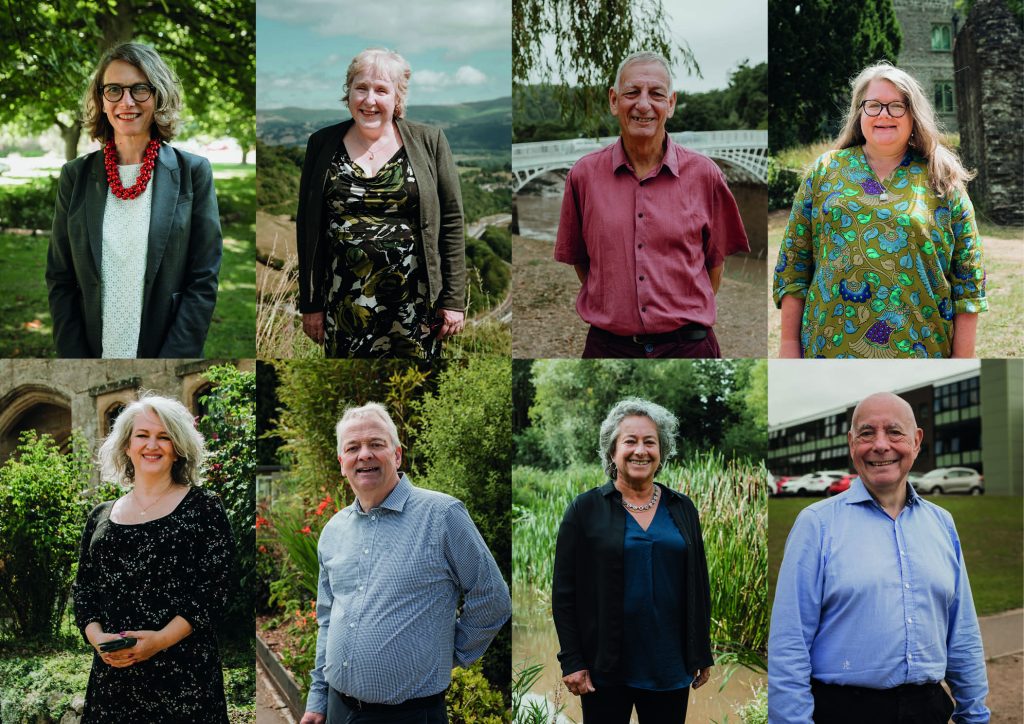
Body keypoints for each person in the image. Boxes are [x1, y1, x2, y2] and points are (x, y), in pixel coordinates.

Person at [768, 392, 989, 723]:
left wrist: (975, 714)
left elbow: (963, 631)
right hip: (844, 711)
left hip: (927, 709)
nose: (880, 445)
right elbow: (789, 643)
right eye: (867, 433)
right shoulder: (816, 524)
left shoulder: (942, 523)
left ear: (916, 441)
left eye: (894, 432)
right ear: (851, 443)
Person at [301, 402, 510, 723]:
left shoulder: (443, 516)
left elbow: (493, 598)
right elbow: (328, 620)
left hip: (410, 715)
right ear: (342, 462)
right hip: (337, 710)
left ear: (397, 455)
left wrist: (448, 655)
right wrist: (317, 700)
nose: (365, 454)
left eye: (376, 444)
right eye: (353, 447)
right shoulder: (333, 530)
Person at [773, 62, 987, 359]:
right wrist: (788, 346)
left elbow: (969, 284)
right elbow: (793, 267)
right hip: (827, 350)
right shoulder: (825, 170)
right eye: (873, 105)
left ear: (913, 114)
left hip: (920, 349)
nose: (884, 114)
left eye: (896, 106)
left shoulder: (942, 178)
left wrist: (962, 359)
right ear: (859, 112)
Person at [553, 51, 750, 359]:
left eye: (656, 94)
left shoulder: (705, 174)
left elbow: (714, 266)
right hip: (608, 348)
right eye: (632, 92)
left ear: (670, 104)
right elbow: (584, 263)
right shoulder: (583, 176)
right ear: (614, 100)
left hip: (689, 348)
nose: (643, 104)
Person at [47, 42, 222, 359]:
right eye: (113, 89)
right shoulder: (74, 176)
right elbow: (61, 278)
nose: (126, 101)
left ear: (159, 96)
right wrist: (75, 357)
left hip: (164, 347)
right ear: (101, 100)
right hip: (90, 349)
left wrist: (173, 358)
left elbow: (203, 280)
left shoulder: (193, 173)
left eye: (140, 89)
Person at [73, 394, 234, 722]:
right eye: (142, 435)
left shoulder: (204, 507)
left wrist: (159, 640)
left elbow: (215, 591)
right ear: (127, 446)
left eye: (164, 437)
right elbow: (84, 592)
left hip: (184, 679)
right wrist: (97, 639)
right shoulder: (100, 516)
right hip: (112, 682)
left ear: (178, 448)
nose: (152, 445)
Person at [296, 48, 466, 358]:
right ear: (348, 92)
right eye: (361, 87)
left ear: (398, 98)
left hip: (415, 302)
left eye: (381, 90)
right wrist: (310, 304)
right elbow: (308, 229)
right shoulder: (320, 144)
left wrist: (453, 300)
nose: (369, 99)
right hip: (344, 302)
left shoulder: (430, 140)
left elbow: (452, 222)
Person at [552, 398, 713, 723]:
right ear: (612, 451)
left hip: (670, 665)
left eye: (650, 442)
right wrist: (572, 660)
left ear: (662, 452)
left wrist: (702, 650)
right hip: (604, 669)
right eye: (630, 441)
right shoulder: (585, 510)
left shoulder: (683, 508)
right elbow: (564, 592)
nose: (641, 450)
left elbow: (699, 583)